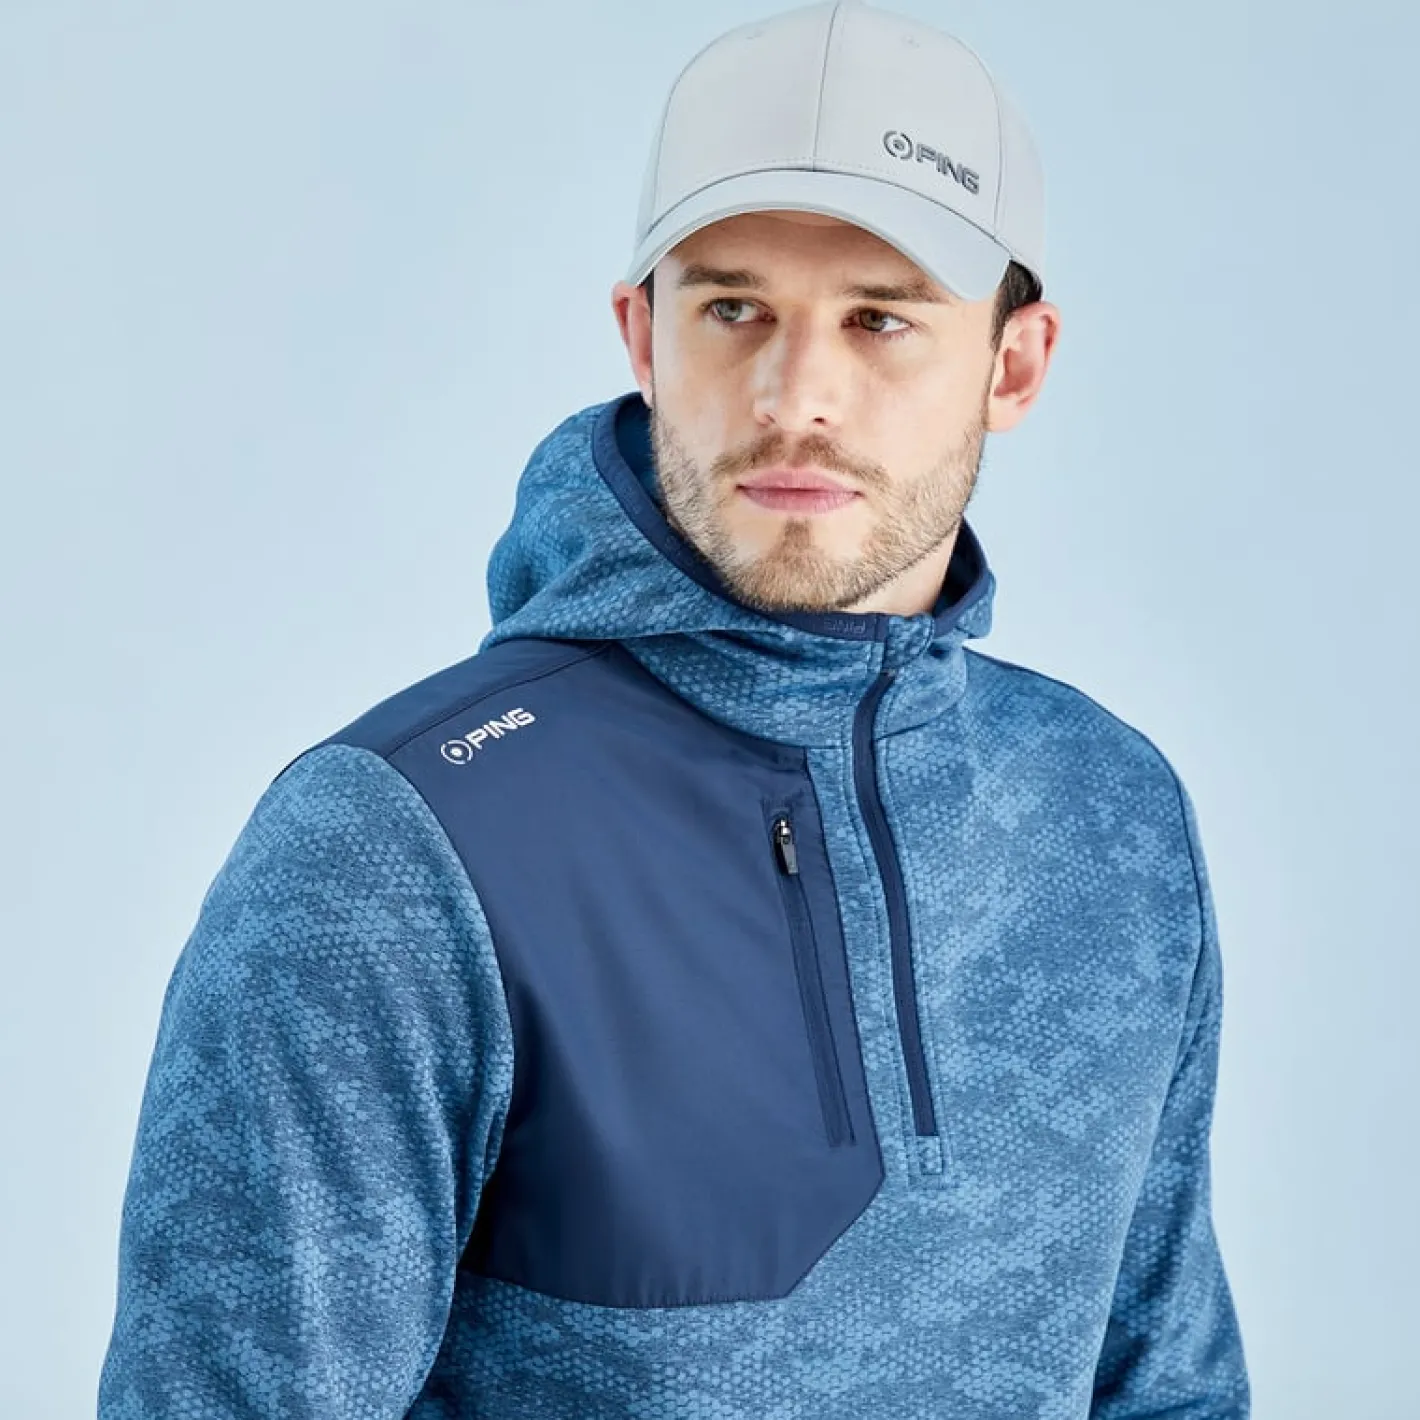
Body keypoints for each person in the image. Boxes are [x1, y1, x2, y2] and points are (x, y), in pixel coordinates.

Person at [98, 1, 1251, 1415]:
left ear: (1013, 363)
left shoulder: (1109, 817)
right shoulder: (395, 849)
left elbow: (1164, 1382)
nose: (796, 397)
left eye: (881, 318)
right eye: (734, 308)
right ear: (643, 335)